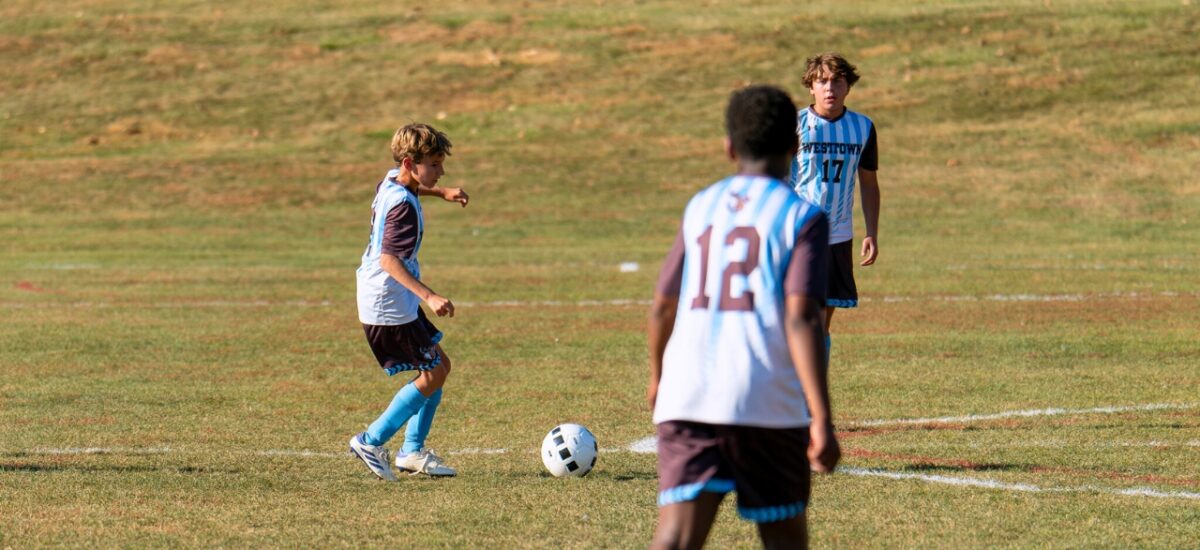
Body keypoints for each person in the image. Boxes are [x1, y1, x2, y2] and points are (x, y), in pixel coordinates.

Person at [647, 85, 840, 549]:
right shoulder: (802, 217)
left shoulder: (701, 206)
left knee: (674, 537)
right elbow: (802, 319)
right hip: (764, 398)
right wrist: (822, 418)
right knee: (784, 538)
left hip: (689, 393)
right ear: (796, 147)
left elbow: (662, 303)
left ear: (729, 147)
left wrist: (657, 379)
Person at [348, 122, 469, 481]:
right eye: (433, 164)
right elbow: (389, 260)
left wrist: (441, 190)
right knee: (434, 372)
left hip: (390, 298)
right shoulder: (401, 207)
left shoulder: (392, 181)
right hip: (387, 304)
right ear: (409, 162)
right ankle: (371, 440)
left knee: (438, 367)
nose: (440, 170)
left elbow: (409, 186)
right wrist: (429, 296)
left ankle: (412, 451)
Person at [789, 52, 881, 353]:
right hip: (797, 234)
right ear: (811, 86)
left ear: (848, 86)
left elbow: (868, 183)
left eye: (837, 81)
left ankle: (810, 392)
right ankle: (796, 390)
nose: (830, 88)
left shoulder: (863, 127)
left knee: (821, 322)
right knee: (799, 317)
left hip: (839, 235)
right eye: (822, 81)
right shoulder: (794, 125)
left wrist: (871, 232)